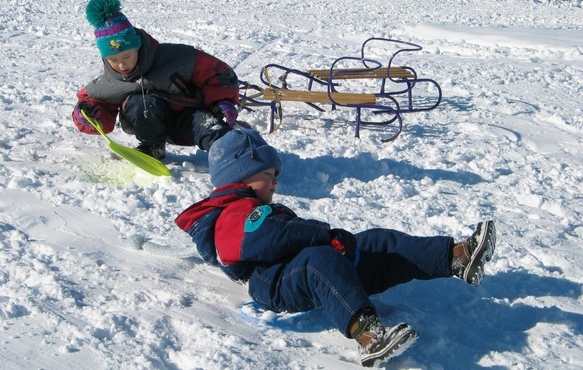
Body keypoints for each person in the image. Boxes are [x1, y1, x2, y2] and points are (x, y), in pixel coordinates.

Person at [174, 129, 497, 367]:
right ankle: (368, 333)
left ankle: (455, 258)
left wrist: (331, 243)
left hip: (304, 268)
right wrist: (324, 236)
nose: (275, 182)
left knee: (376, 242)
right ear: (240, 176)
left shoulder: (244, 209)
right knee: (321, 259)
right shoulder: (236, 212)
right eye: (268, 174)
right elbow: (268, 237)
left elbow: (280, 236)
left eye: (275, 175)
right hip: (274, 282)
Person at [71, 0, 239, 159]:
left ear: (137, 46)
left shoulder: (175, 58)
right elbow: (92, 102)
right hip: (149, 124)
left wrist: (222, 100)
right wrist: (88, 114)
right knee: (141, 102)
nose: (122, 65)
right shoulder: (109, 83)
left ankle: (233, 152)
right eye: (113, 60)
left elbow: (217, 71)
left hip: (188, 114)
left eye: (127, 56)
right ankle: (153, 147)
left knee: (208, 126)